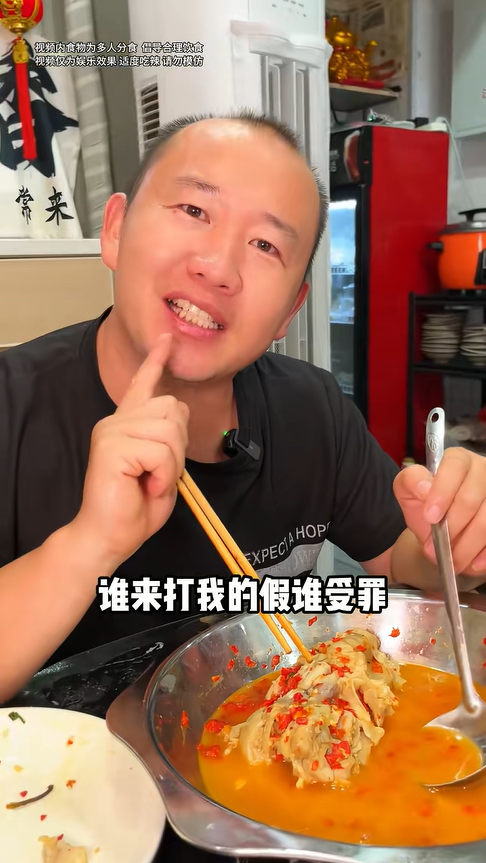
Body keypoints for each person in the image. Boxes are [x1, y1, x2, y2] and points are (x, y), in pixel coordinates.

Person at [1, 109, 486, 705]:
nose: (218, 268)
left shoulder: (312, 409)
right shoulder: (12, 406)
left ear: (290, 311)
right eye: (194, 210)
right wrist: (87, 544)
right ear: (116, 230)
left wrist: (458, 541)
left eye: (265, 245)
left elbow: (405, 561)